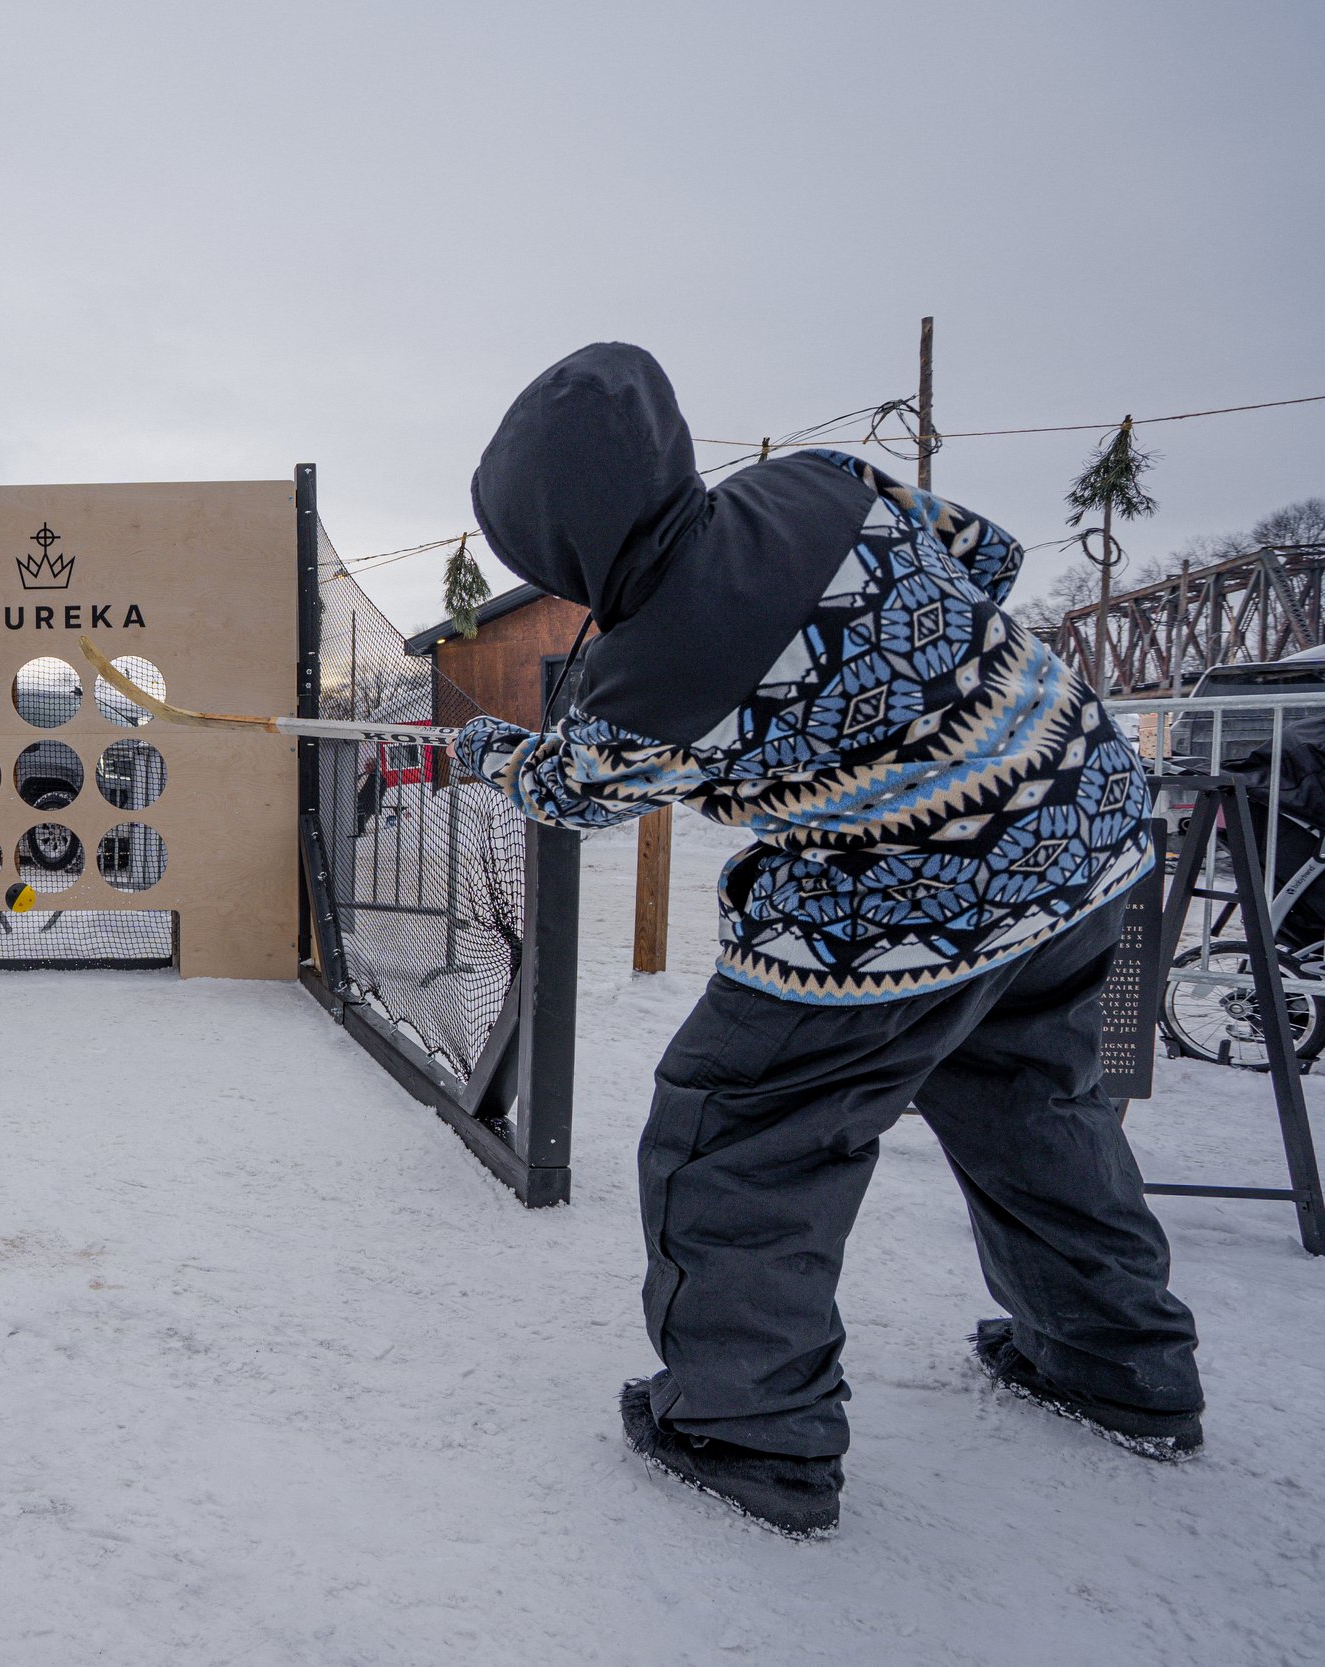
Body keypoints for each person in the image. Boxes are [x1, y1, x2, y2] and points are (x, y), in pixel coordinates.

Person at [455, 343, 1200, 1537]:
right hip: (1086, 824)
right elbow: (985, 557)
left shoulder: (653, 671)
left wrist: (492, 752)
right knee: (1035, 1106)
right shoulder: (817, 481)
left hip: (909, 903)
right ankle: (1122, 1369)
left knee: (736, 1137)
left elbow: (573, 795)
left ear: (554, 541)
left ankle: (751, 1437)